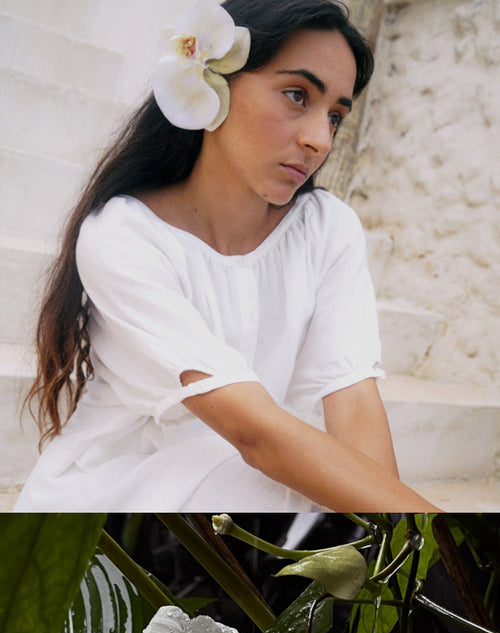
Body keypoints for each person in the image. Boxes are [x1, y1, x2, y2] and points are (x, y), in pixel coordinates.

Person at [15, 0, 438, 512]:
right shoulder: (123, 235)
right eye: (296, 95)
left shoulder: (328, 229)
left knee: (324, 487)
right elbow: (254, 432)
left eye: (335, 117)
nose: (319, 139)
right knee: (283, 480)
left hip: (241, 482)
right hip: (118, 496)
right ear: (211, 87)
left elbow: (353, 403)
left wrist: (401, 546)